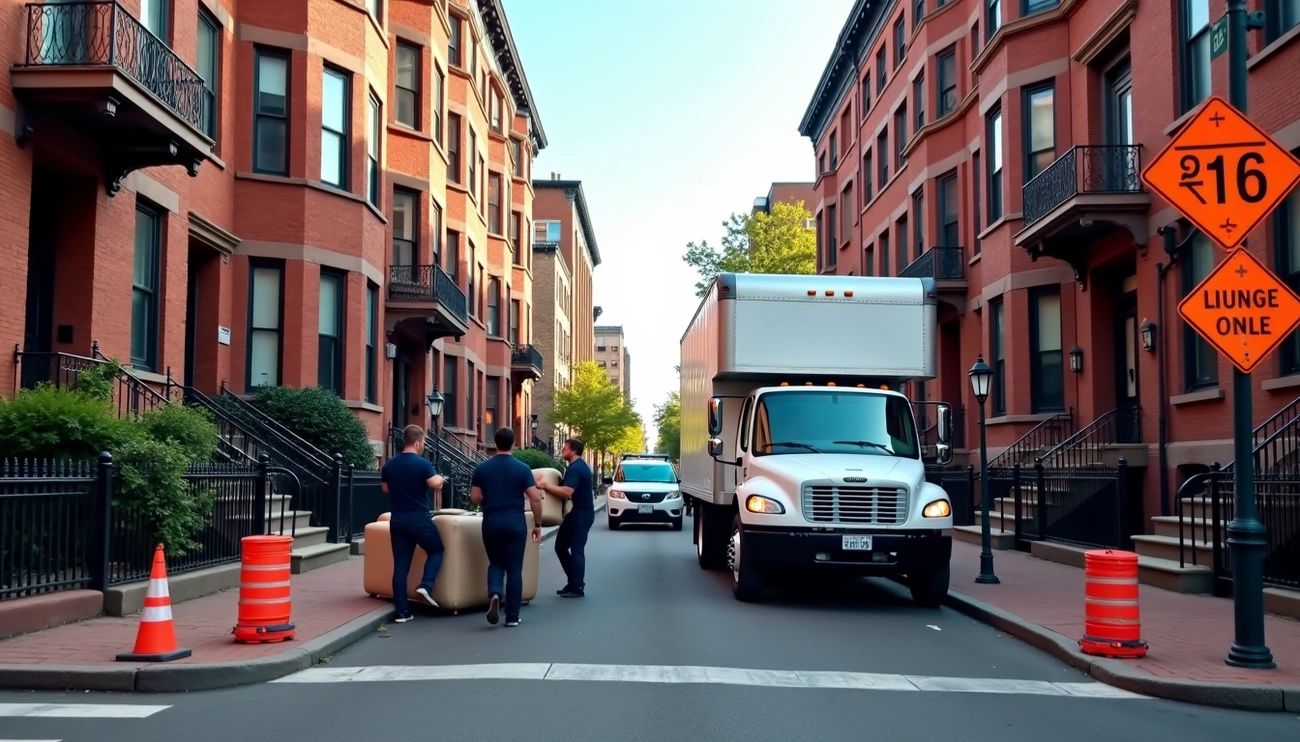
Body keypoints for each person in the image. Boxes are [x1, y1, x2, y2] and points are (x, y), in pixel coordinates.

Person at [470, 427, 545, 627]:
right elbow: (535, 499)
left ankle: (495, 593)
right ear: (513, 443)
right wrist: (537, 524)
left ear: (495, 443)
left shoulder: (482, 469)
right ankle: (512, 616)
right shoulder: (522, 469)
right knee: (514, 569)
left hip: (492, 522)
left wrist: (488, 501)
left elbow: (475, 497)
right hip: (515, 523)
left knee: (495, 562)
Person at [380, 424, 445, 623]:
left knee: (401, 564)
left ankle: (402, 612)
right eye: (423, 442)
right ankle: (425, 585)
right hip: (419, 518)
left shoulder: (389, 465)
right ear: (417, 443)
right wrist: (441, 478)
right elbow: (435, 484)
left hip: (398, 520)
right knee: (436, 550)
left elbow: (385, 489)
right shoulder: (422, 463)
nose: (424, 445)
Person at [537, 437, 594, 598]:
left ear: (573, 451)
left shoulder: (576, 469)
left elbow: (567, 492)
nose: (563, 450)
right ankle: (573, 581)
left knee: (576, 549)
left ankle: (577, 587)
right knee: (560, 546)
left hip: (582, 515)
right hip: (577, 513)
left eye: (565, 448)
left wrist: (546, 485)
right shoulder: (577, 467)